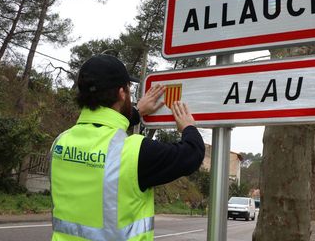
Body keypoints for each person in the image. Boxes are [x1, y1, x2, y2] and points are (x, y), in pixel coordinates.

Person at [50, 54, 205, 241]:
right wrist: (188, 127)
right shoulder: (135, 152)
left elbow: (102, 133)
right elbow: (192, 154)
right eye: (129, 89)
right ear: (122, 93)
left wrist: (137, 112)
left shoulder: (60, 143)